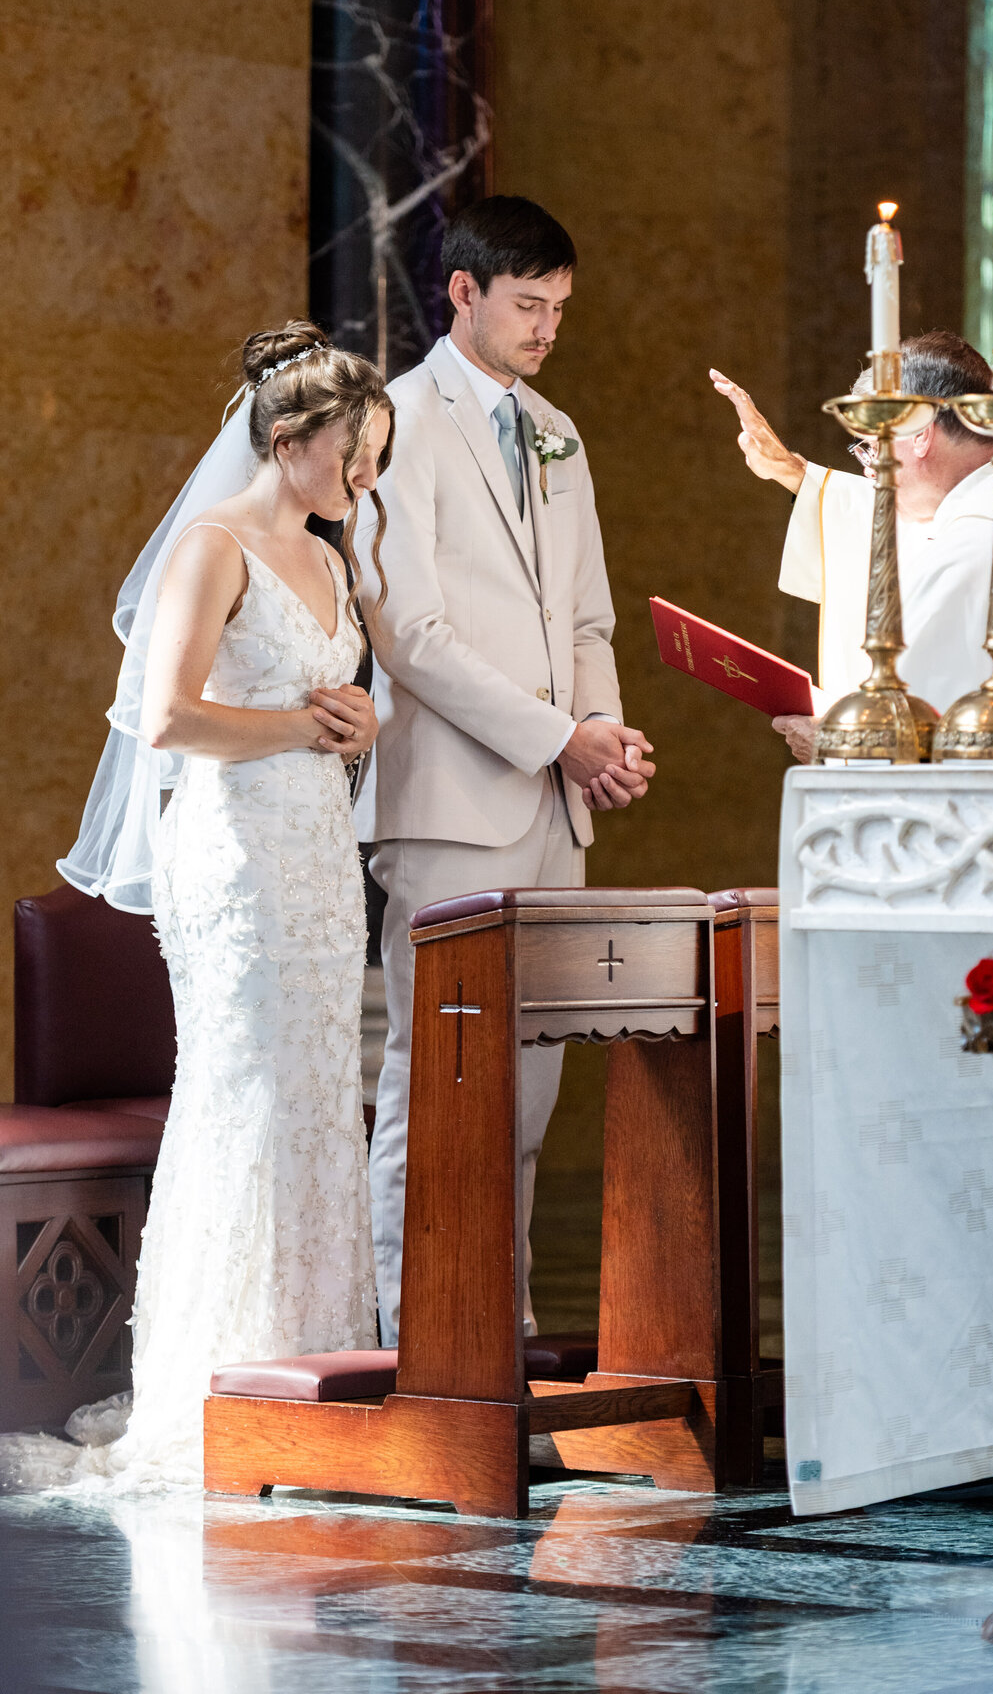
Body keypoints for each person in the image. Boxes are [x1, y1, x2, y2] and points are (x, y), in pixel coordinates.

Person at [1, 323, 393, 1491]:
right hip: (231, 854)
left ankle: (312, 1376)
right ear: (288, 441)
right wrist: (296, 728)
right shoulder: (213, 546)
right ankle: (222, 1383)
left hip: (320, 850)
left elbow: (339, 705)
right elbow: (164, 717)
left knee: (322, 1094)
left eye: (375, 455)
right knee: (250, 1092)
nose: (366, 477)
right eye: (353, 454)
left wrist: (358, 728)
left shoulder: (332, 559)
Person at [355, 196, 654, 1345]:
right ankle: (409, 1341)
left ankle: (500, 1342)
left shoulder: (559, 431)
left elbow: (588, 618)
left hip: (552, 807)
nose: (546, 329)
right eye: (528, 306)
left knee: (527, 1100)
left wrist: (603, 735)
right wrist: (551, 735)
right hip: (446, 803)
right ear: (463, 292)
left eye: (561, 310)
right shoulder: (398, 420)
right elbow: (409, 633)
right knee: (440, 1090)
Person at [711, 331, 993, 761]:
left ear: (920, 433)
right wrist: (795, 473)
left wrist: (837, 746)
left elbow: (918, 755)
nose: (870, 472)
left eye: (870, 447)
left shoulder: (965, 556)